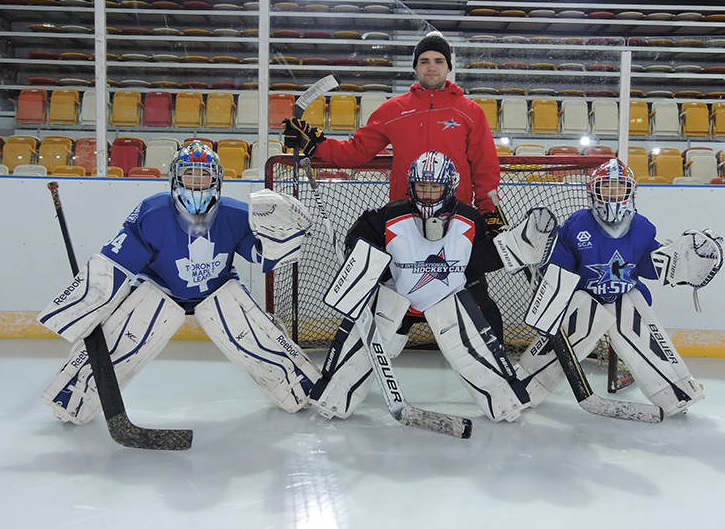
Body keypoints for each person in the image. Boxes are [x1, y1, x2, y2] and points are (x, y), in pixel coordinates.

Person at [37, 141, 321, 425]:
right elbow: (116, 263)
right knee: (120, 342)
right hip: (160, 288)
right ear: (175, 177)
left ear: (217, 179)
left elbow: (261, 257)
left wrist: (283, 238)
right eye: (189, 174)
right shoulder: (153, 212)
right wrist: (87, 303)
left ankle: (301, 390)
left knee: (257, 340)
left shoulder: (236, 214)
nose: (196, 183)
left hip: (218, 289)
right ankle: (70, 397)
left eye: (204, 175)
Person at [284, 30, 507, 338]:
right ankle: (377, 352)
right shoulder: (393, 109)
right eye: (424, 61)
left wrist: (490, 212)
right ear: (415, 68)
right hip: (405, 222)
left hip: (455, 223)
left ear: (448, 67)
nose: (431, 66)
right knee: (395, 301)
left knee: (475, 301)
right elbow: (356, 152)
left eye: (438, 61)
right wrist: (315, 143)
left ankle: (489, 359)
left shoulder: (470, 112)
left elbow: (485, 168)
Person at [309, 151, 530, 422]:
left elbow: (482, 260)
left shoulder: (470, 218)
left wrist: (517, 246)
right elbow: (361, 243)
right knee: (361, 350)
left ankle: (504, 401)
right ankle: (334, 397)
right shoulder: (389, 215)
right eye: (421, 186)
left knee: (478, 352)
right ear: (411, 185)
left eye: (435, 187)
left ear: (450, 185)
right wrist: (356, 254)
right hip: (398, 303)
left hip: (449, 304)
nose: (427, 194)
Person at [515, 158, 723, 417]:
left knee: (632, 311)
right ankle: (525, 387)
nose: (613, 194)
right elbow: (561, 267)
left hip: (624, 297)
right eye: (606, 187)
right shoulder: (578, 224)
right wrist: (543, 255)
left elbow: (651, 265)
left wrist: (681, 264)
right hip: (584, 298)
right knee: (579, 322)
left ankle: (674, 392)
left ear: (630, 192)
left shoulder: (642, 228)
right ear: (593, 191)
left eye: (619, 187)